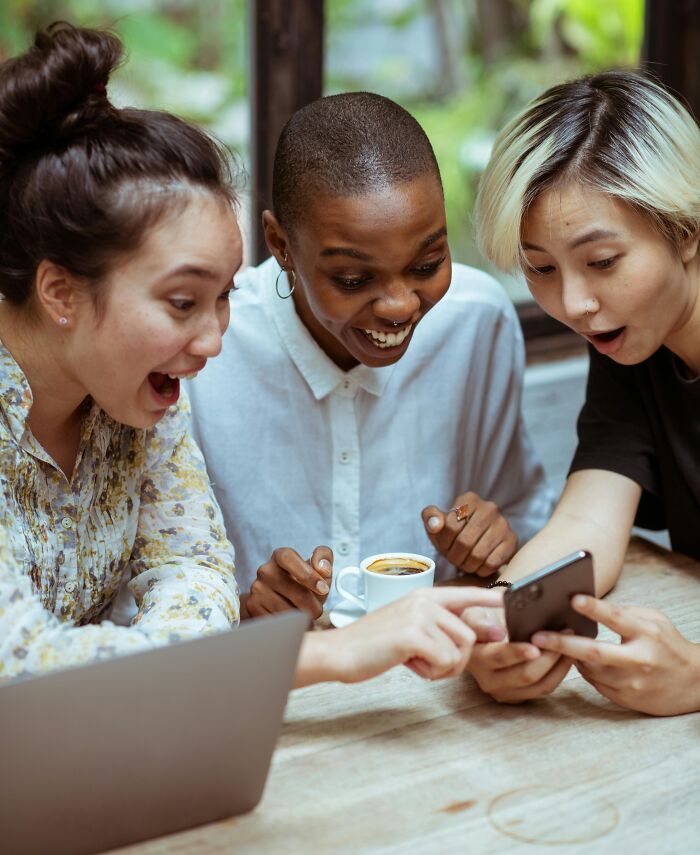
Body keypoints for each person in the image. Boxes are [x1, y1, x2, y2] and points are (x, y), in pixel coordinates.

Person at [0, 22, 508, 688]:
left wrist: (191, 661)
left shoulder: (134, 397)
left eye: (222, 298)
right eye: (183, 302)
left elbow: (197, 577)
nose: (213, 340)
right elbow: (21, 661)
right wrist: (331, 653)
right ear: (60, 290)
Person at [187, 92, 554, 619]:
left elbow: (525, 519)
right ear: (280, 244)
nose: (401, 305)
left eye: (428, 263)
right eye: (354, 279)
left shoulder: (476, 321)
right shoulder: (208, 356)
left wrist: (495, 545)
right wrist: (241, 612)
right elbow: (146, 594)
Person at [469, 70, 700, 715]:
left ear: (685, 230)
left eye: (602, 262)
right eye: (540, 268)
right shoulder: (634, 341)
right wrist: (501, 625)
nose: (573, 304)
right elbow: (585, 521)